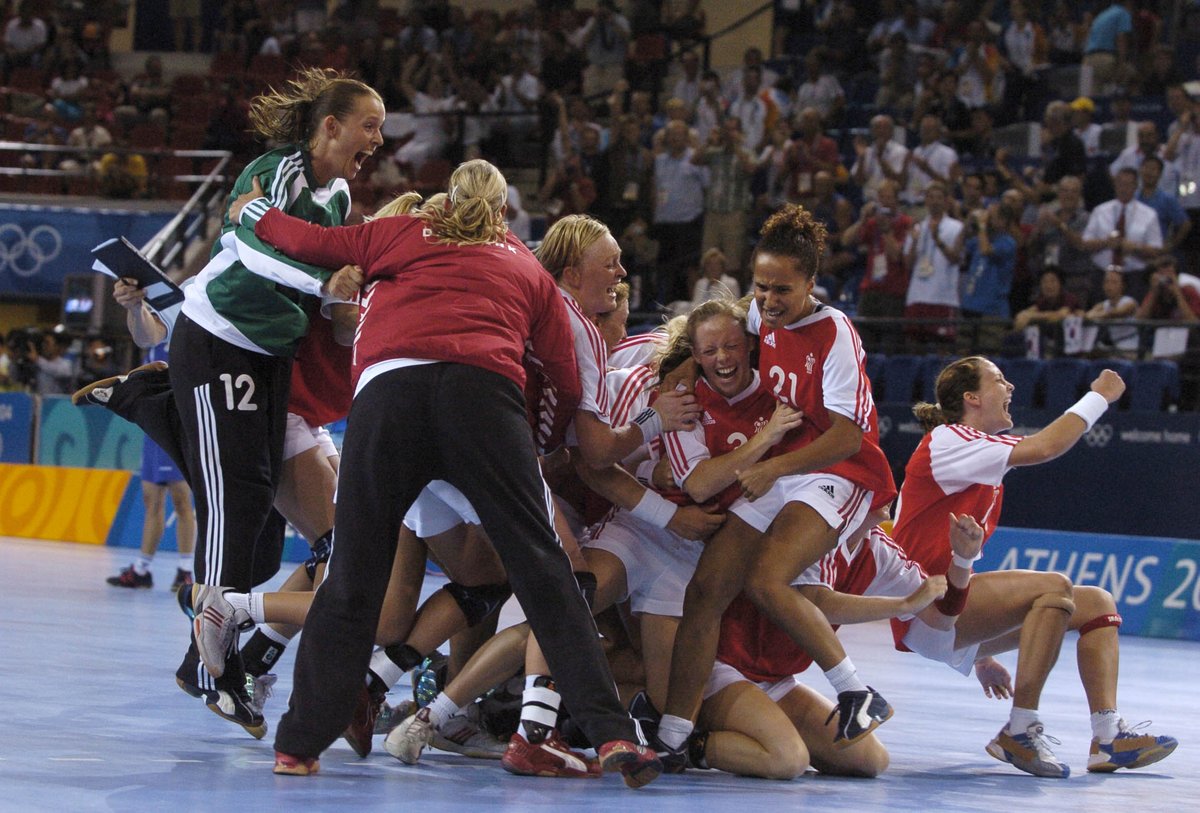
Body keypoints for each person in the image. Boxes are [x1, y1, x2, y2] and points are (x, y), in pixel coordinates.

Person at [229, 159, 663, 785]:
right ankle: (613, 734)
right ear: (504, 213)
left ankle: (297, 745)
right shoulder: (524, 263)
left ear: (444, 201)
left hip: (389, 398)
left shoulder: (400, 232)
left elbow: (307, 241)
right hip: (483, 403)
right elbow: (564, 378)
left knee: (353, 576)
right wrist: (535, 445)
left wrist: (252, 210)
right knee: (547, 572)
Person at [167, 67, 382, 734]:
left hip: (270, 356)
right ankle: (213, 667)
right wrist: (324, 284)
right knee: (234, 497)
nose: (378, 140)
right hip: (219, 336)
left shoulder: (337, 194)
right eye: (369, 126)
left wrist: (345, 309)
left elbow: (326, 287)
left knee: (258, 509)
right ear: (329, 127)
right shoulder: (276, 170)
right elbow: (253, 250)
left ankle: (214, 659)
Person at [655, 205, 897, 769]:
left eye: (782, 289)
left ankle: (855, 690)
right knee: (706, 590)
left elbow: (846, 438)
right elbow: (717, 331)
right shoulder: (760, 314)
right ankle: (673, 734)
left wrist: (772, 469)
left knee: (767, 580)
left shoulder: (835, 334)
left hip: (839, 470)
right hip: (787, 465)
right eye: (761, 286)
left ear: (812, 284)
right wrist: (681, 367)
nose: (767, 299)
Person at [892, 356, 1177, 777]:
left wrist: (981, 655)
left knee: (1097, 603)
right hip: (923, 606)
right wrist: (1099, 396)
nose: (1010, 387)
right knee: (1053, 587)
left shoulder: (977, 453)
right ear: (971, 398)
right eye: (998, 380)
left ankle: (1107, 737)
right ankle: (1020, 729)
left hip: (948, 607)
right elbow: (1045, 446)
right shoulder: (950, 439)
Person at [102, 279, 195, 592]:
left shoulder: (188, 326)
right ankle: (142, 570)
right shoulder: (154, 328)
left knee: (182, 500)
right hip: (153, 428)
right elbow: (142, 337)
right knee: (151, 499)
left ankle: (185, 571)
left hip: (178, 422)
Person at [1082, 167, 1162, 301]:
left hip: (1134, 277)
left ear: (1136, 186)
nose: (1124, 188)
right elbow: (1085, 244)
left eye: (1128, 184)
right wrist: (1105, 243)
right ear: (1115, 185)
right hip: (1103, 274)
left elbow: (1156, 251)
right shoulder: (1100, 211)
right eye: (1120, 184)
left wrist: (1135, 248)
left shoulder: (1149, 215)